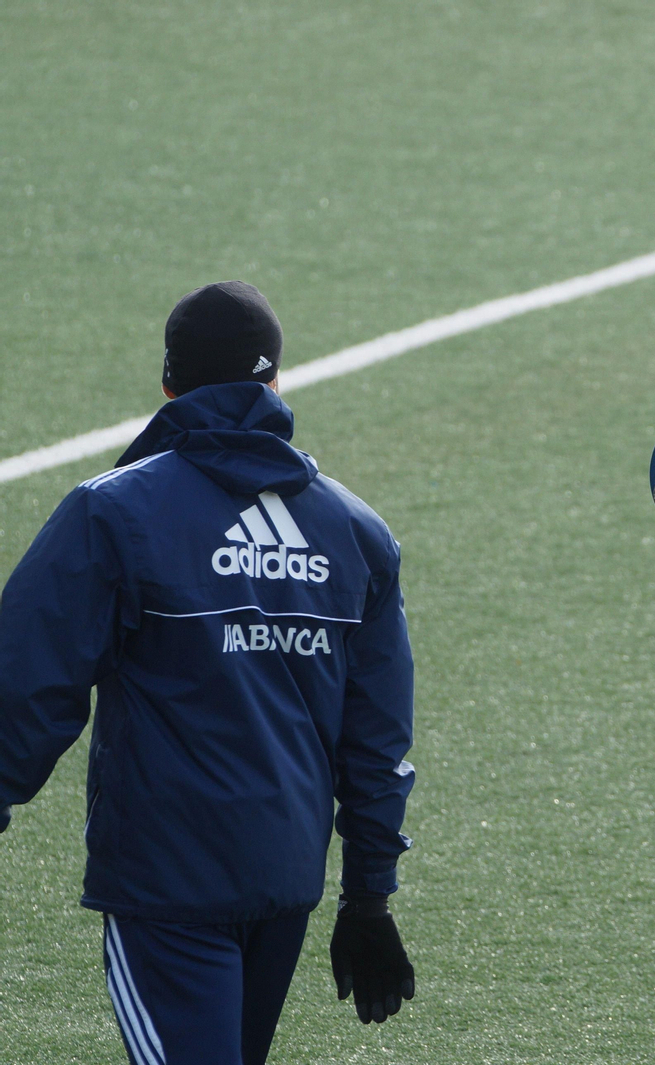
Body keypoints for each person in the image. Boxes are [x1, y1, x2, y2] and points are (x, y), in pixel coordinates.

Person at [0, 281, 417, 1065]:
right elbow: (378, 738)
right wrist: (369, 892)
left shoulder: (115, 513)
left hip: (168, 887)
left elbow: (23, 684)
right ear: (275, 383)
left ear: (169, 385)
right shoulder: (356, 532)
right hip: (285, 881)